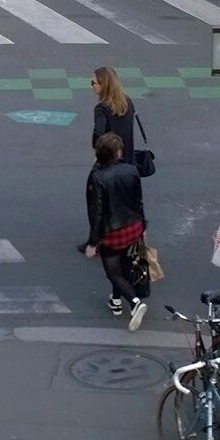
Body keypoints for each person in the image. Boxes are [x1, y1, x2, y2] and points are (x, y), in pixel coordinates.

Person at [82, 130, 153, 330]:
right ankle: (115, 300)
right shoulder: (131, 170)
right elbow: (138, 201)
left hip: (112, 231)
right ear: (117, 153)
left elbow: (97, 213)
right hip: (133, 226)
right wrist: (143, 226)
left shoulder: (98, 177)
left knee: (113, 272)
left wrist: (92, 242)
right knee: (125, 266)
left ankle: (135, 302)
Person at [89, 66, 147, 174]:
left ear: (104, 85)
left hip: (109, 162)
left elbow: (98, 132)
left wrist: (96, 149)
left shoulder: (102, 108)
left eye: (93, 83)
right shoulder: (127, 102)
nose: (92, 86)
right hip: (129, 161)